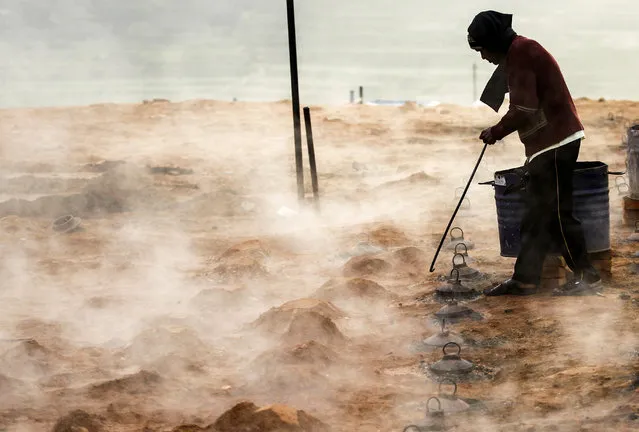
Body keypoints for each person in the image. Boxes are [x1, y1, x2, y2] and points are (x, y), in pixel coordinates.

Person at [467, 10, 602, 296]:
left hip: (556, 141)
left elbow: (523, 110)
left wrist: (496, 131)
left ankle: (588, 277)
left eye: (481, 50)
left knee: (557, 213)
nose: (482, 58)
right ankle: (525, 279)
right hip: (547, 143)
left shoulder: (522, 53)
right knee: (537, 214)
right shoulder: (518, 51)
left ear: (493, 41)